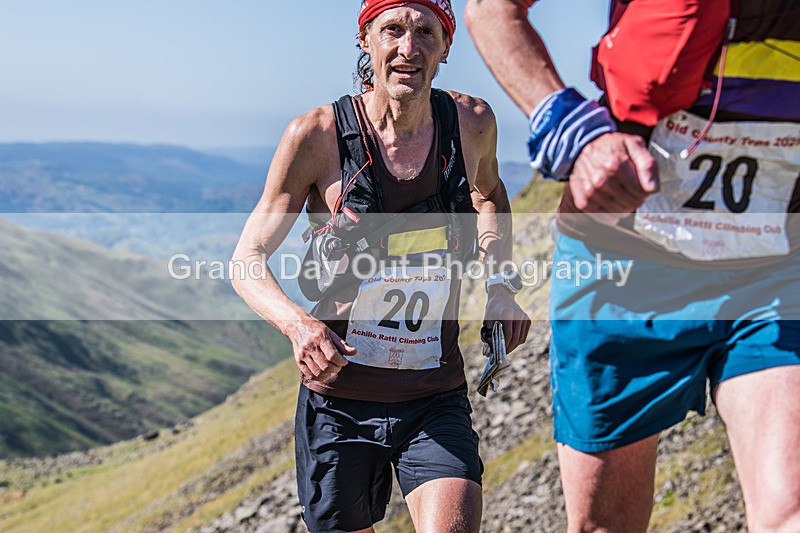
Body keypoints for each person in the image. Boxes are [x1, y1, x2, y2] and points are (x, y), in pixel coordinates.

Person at [466, 1, 800, 531]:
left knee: (791, 511)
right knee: (603, 525)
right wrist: (577, 134)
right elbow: (491, 9)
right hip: (620, 267)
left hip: (773, 270)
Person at [232, 1, 531, 531]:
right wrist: (298, 326)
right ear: (366, 39)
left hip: (434, 397)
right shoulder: (317, 136)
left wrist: (501, 286)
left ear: (446, 46)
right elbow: (246, 260)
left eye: (425, 33)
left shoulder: (471, 123)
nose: (407, 49)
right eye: (392, 30)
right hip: (339, 402)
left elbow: (489, 195)